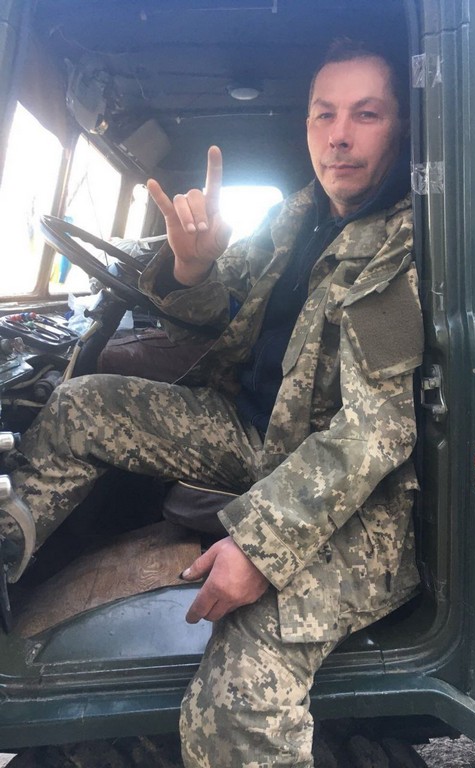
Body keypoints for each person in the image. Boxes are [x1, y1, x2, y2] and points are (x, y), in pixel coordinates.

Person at [2, 38, 424, 767]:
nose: (340, 135)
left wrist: (260, 544)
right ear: (307, 125)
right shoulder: (295, 219)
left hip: (356, 501)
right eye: (325, 114)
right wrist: (192, 268)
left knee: (240, 698)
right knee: (81, 406)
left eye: (366, 114)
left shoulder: (401, 243)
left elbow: (376, 429)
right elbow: (213, 318)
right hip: (257, 437)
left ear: (399, 126)